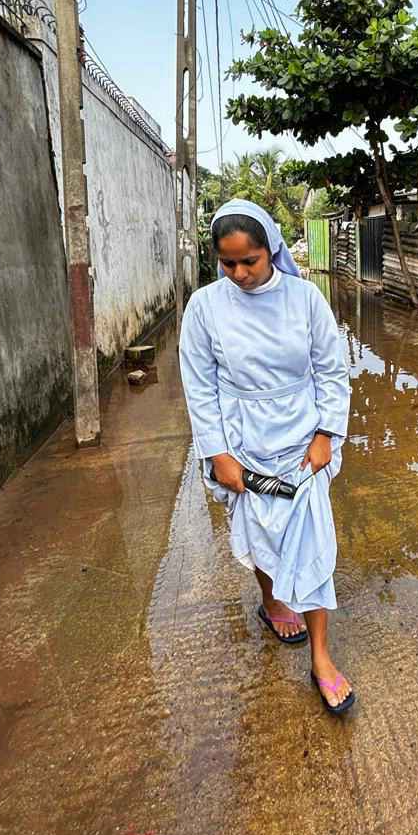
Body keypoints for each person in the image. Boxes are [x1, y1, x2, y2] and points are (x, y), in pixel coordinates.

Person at [178, 199, 355, 715]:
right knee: (260, 534)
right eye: (228, 263)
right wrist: (217, 453)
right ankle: (273, 600)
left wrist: (326, 433)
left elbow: (332, 370)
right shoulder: (205, 307)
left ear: (271, 249)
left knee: (315, 544)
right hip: (241, 440)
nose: (239, 273)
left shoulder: (304, 299)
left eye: (249, 261)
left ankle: (321, 658)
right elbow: (199, 386)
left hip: (302, 441)